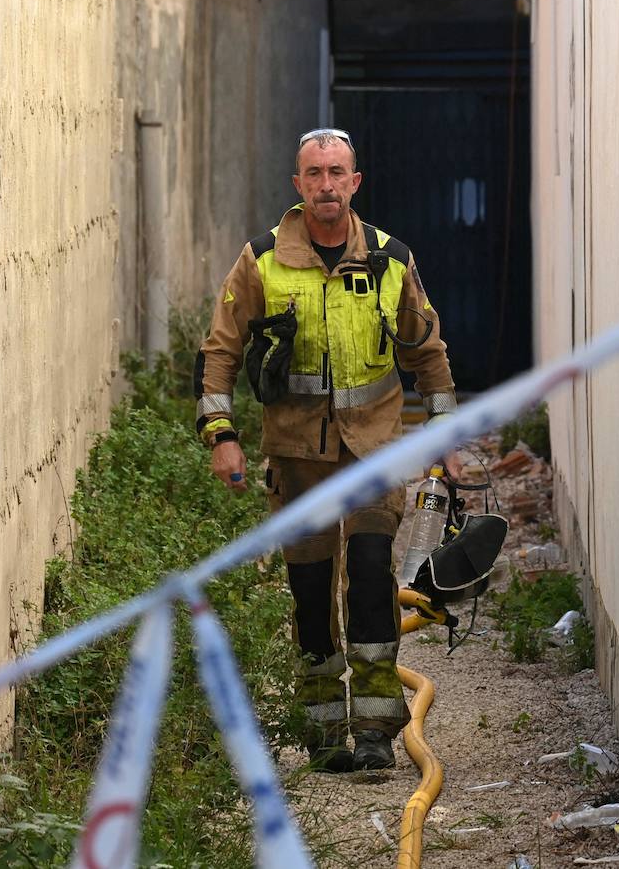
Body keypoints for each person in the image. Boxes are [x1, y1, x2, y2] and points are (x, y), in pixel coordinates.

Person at [194, 128, 462, 772]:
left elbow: (427, 352)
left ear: (355, 182)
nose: (326, 186)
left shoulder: (391, 261)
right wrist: (221, 435)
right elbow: (220, 353)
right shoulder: (261, 262)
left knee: (371, 573)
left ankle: (373, 729)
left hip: (371, 449)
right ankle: (321, 730)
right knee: (310, 589)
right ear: (298, 186)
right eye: (313, 174)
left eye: (337, 173)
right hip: (297, 457)